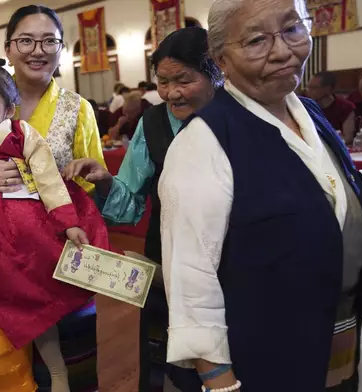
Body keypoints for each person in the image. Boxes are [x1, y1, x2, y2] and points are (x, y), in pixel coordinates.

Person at [158, 0, 362, 390]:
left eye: (292, 30)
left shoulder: (308, 113)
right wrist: (220, 382)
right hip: (265, 357)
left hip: (337, 343)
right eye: (256, 40)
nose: (284, 51)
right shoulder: (204, 142)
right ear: (220, 60)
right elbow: (191, 279)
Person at [0, 5, 103, 391]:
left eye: (50, 41)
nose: (38, 50)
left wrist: (94, 178)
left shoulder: (77, 109)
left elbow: (93, 189)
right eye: (26, 40)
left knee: (68, 365)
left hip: (57, 256)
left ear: (62, 49)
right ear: (8, 48)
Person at [63, 27, 222, 392]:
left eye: (184, 80)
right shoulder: (152, 123)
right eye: (163, 82)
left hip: (232, 263)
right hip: (170, 261)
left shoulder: (238, 117)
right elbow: (129, 207)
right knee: (177, 361)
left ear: (216, 72)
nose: (171, 93)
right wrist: (105, 180)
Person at [307, 71, 357, 144]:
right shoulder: (306, 105)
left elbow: (348, 138)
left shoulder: (345, 107)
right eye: (308, 87)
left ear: (328, 89)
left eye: (314, 88)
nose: (309, 91)